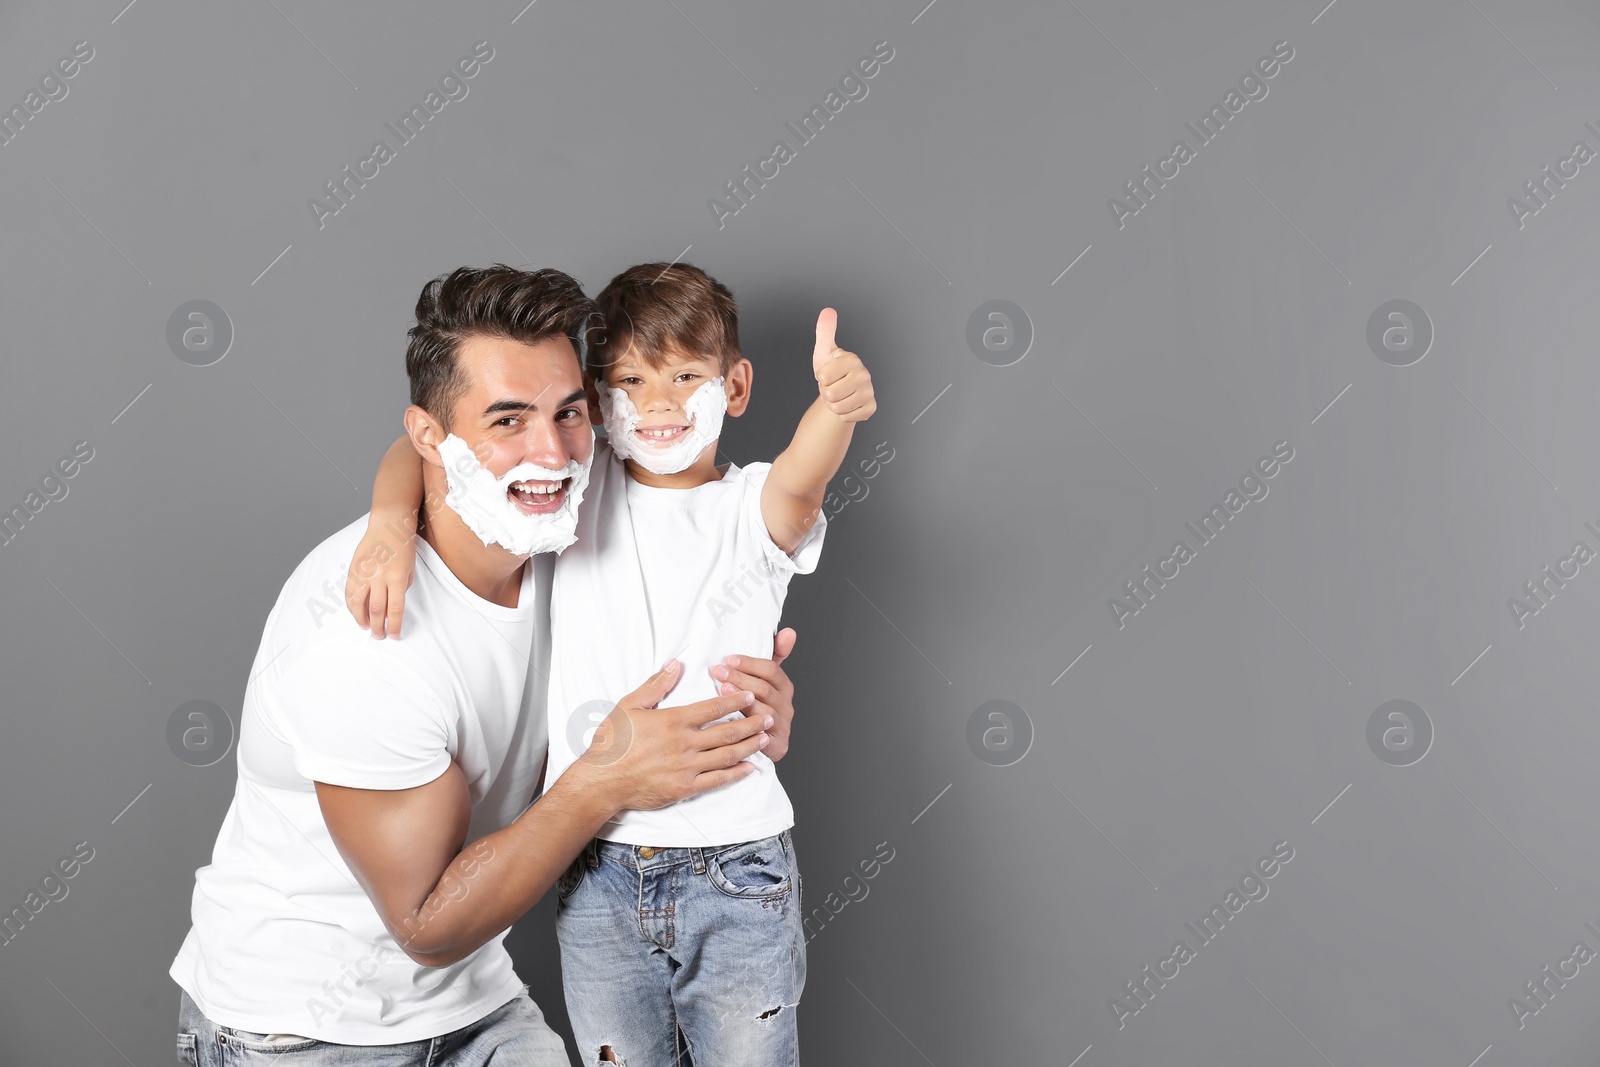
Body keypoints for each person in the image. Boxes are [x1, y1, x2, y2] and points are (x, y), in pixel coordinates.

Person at [169, 265, 801, 1066]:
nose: (551, 448)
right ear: (435, 435)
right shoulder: (368, 635)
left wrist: (742, 709)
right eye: (508, 419)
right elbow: (428, 924)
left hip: (474, 1004)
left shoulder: (564, 538)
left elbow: (423, 452)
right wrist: (608, 775)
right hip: (300, 1030)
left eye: (570, 411)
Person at [347, 262, 875, 1065]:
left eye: (685, 376)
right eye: (631, 380)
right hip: (594, 864)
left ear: (735, 387)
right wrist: (390, 523)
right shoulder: (572, 486)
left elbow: (807, 477)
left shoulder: (751, 508)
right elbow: (427, 442)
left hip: (736, 864)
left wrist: (835, 410)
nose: (659, 403)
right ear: (597, 400)